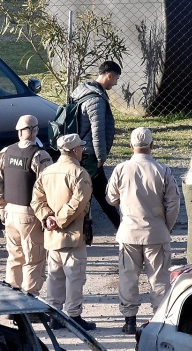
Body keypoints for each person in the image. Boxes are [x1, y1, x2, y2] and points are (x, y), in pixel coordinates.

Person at [106, 128, 180, 333]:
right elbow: (173, 203)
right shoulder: (162, 170)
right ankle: (159, 319)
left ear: (131, 146)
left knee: (128, 276)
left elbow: (110, 198)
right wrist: (166, 226)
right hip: (156, 231)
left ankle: (129, 320)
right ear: (152, 145)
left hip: (129, 231)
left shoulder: (121, 169)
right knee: (159, 278)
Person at [31, 133, 95, 331]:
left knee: (55, 276)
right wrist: (59, 220)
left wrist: (47, 218)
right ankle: (74, 315)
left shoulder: (47, 172)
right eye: (81, 148)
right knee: (75, 276)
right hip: (72, 235)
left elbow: (37, 200)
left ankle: (55, 315)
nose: (82, 151)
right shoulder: (80, 173)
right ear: (75, 150)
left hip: (51, 235)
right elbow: (78, 203)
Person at [0, 115, 53, 295]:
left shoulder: (5, 152)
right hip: (31, 214)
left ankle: (12, 301)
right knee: (34, 259)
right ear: (35, 131)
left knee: (15, 257)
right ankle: (30, 302)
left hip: (10, 212)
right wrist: (46, 214)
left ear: (19, 132)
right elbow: (48, 187)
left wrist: (3, 208)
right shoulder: (40, 155)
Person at [70, 60, 122, 229]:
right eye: (116, 79)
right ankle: (122, 228)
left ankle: (88, 228)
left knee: (94, 194)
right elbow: (98, 131)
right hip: (90, 154)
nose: (115, 83)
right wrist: (101, 158)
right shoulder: (96, 100)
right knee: (98, 195)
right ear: (109, 75)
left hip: (79, 151)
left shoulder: (81, 90)